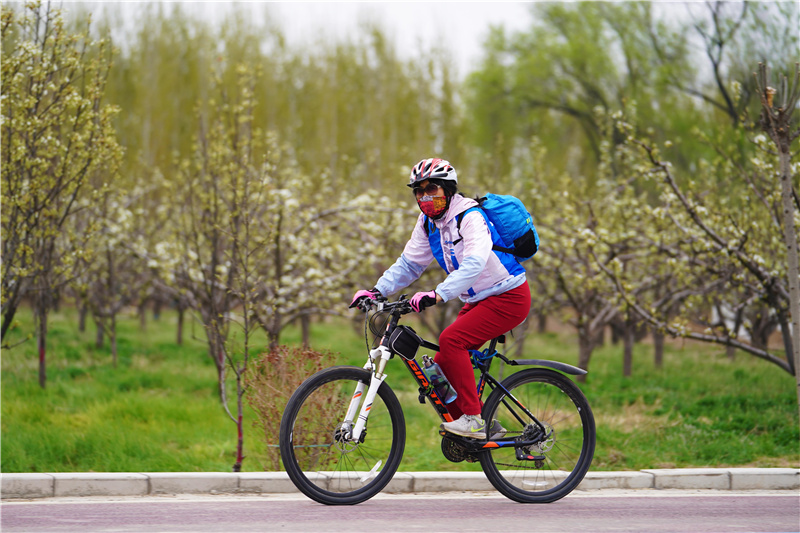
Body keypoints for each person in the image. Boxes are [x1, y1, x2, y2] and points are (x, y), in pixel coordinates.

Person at [350, 158, 531, 439]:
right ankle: (484, 426)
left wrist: (437, 294)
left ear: (447, 190)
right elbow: (409, 264)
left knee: (451, 340)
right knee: (441, 366)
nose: (424, 197)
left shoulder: (469, 217)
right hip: (479, 299)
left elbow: (474, 262)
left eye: (431, 189)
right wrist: (377, 291)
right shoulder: (427, 223)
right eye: (418, 191)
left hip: (508, 295)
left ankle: (473, 420)